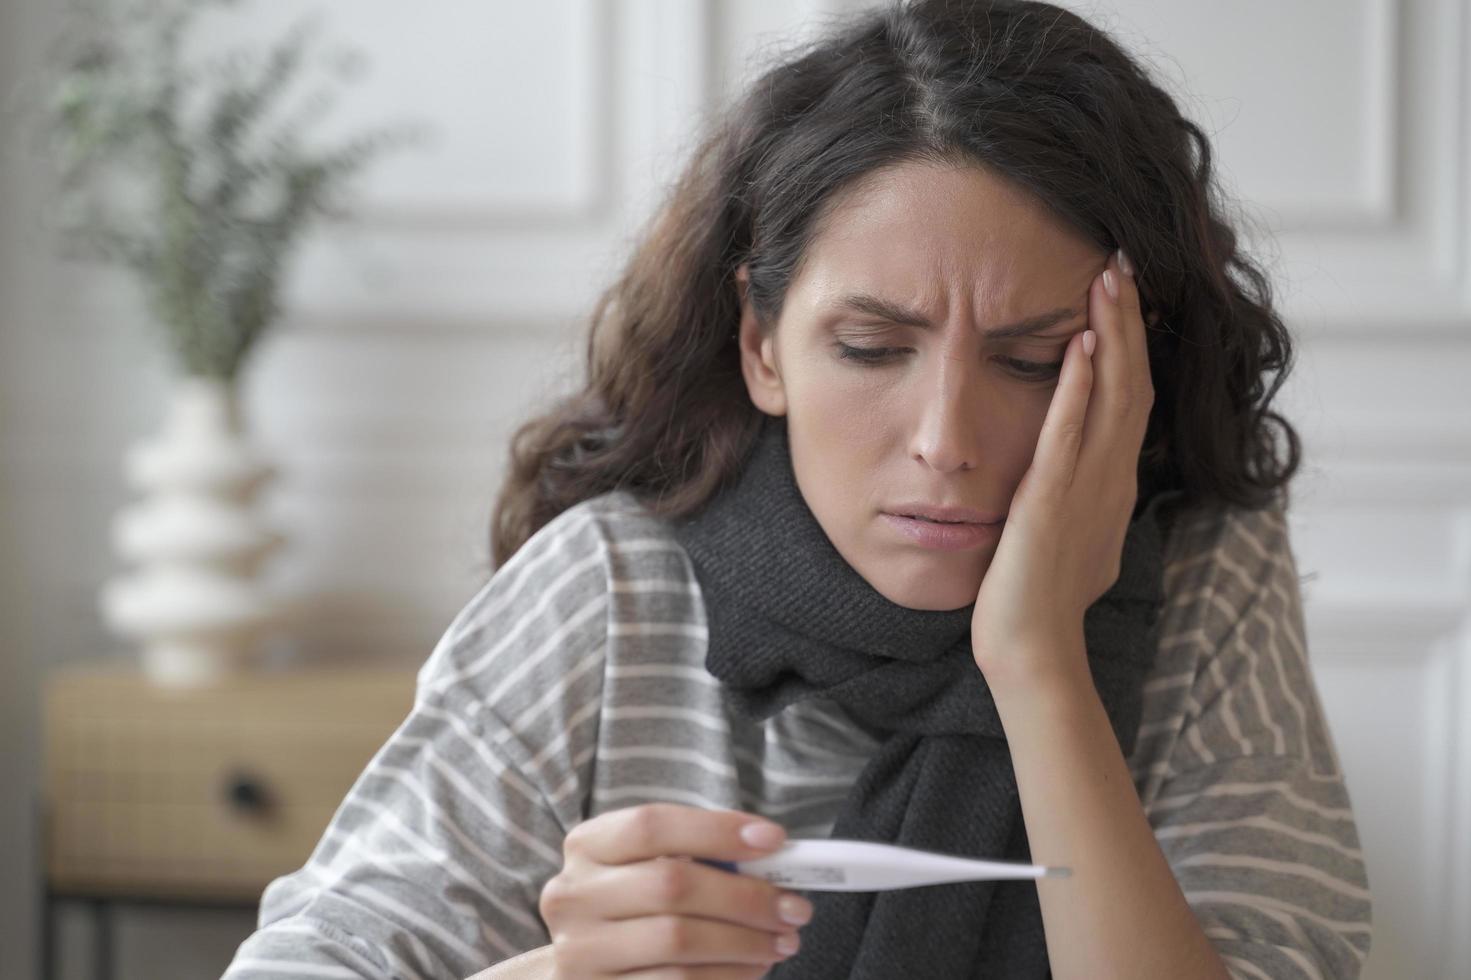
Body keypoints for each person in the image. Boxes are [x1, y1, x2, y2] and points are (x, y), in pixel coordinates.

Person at [222, 1, 1373, 977]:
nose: (944, 439)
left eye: (1031, 361)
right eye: (871, 349)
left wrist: (1035, 659)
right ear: (762, 345)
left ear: (1130, 364)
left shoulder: (1204, 580)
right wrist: (553, 972)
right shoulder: (613, 586)